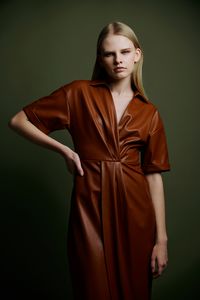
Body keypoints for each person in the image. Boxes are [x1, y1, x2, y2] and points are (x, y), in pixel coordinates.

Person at [9, 21, 170, 300]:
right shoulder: (77, 93)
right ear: (100, 58)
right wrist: (65, 150)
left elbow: (154, 176)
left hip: (137, 213)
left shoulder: (150, 113)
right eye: (109, 53)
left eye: (124, 51)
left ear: (137, 54)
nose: (118, 60)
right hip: (89, 209)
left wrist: (161, 239)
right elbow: (18, 121)